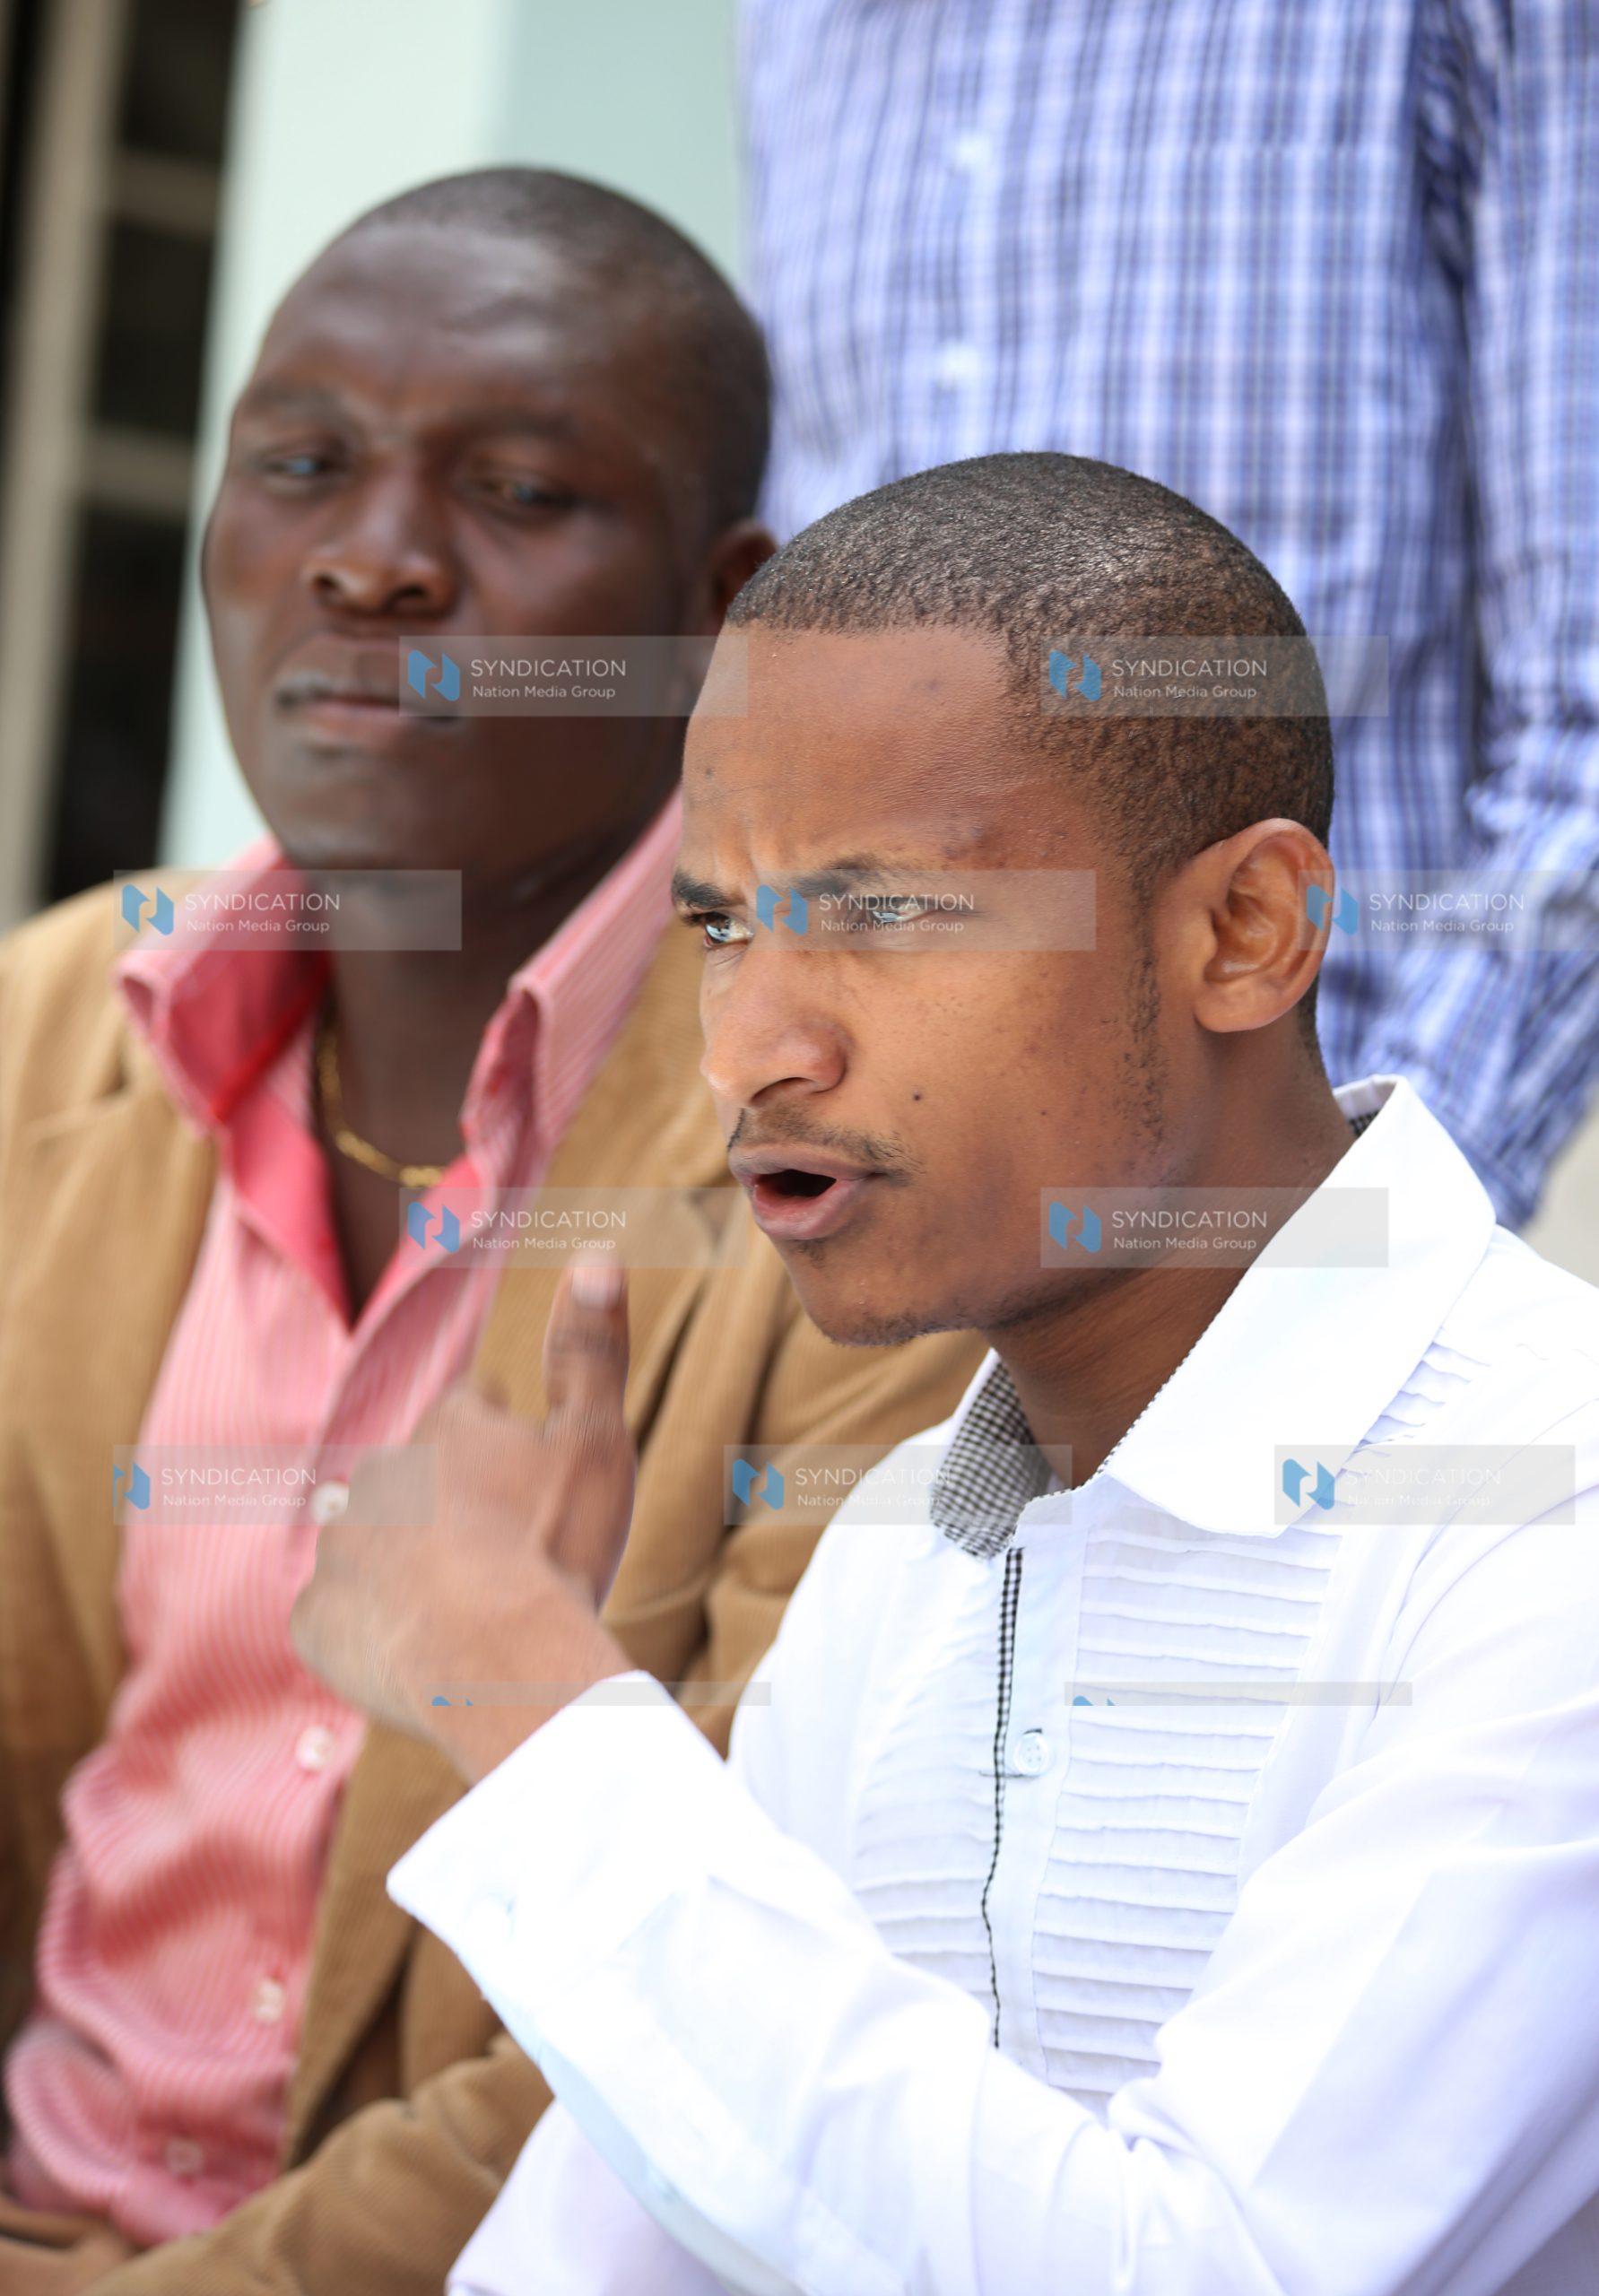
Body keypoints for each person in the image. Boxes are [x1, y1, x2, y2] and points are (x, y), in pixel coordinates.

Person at [297, 455, 1599, 2294]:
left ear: (1243, 931)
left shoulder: (1546, 1523)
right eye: (721, 922)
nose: (752, 1041)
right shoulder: (903, 1552)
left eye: (888, 911)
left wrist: (527, 1694)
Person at [0, 173, 982, 2294]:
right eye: (300, 463)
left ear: (716, 611)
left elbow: (730, 2013)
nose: (370, 556)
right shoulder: (44, 1031)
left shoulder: (869, 1164)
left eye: (518, 485)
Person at [740, 0, 1599, 1229]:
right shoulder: (799, 26)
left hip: (1263, 1232)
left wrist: (1365, 1236)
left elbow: (1588, 715)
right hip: (856, 1219)